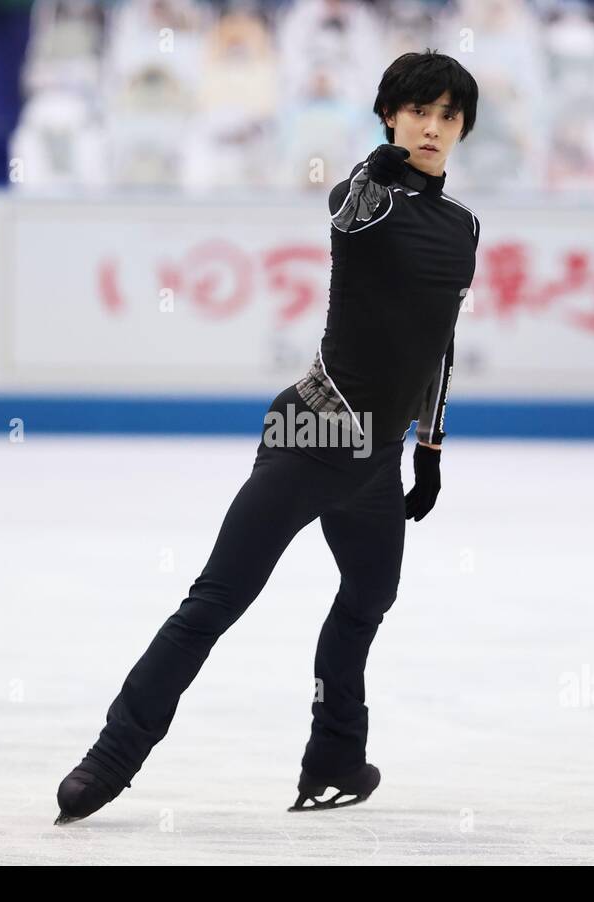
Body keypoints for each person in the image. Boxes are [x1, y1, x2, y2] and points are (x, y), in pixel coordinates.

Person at [55, 50, 481, 821]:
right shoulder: (372, 199)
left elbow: (441, 343)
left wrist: (431, 449)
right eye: (419, 111)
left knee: (367, 598)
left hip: (379, 456)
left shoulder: (464, 227)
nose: (432, 126)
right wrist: (372, 165)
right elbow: (345, 209)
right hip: (310, 430)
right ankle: (111, 757)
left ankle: (335, 759)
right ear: (391, 115)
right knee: (217, 600)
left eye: (449, 116)